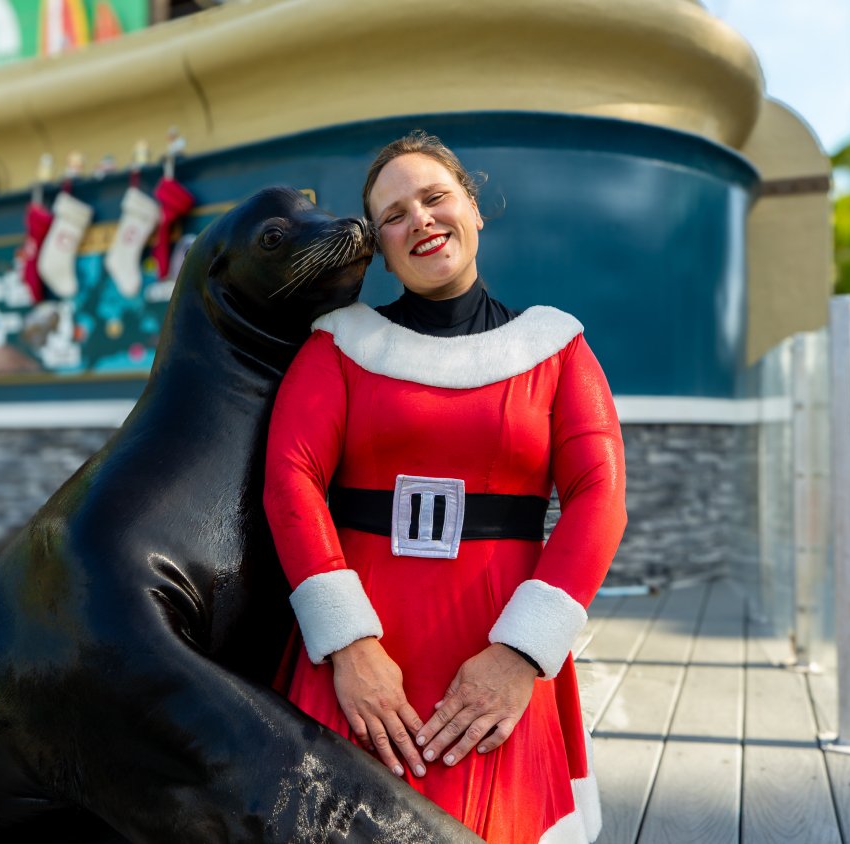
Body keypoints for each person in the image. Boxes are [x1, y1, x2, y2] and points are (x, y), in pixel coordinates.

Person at [263, 131, 627, 843]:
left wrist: (521, 656)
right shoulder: (336, 345)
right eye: (394, 214)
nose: (420, 220)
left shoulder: (556, 348)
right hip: (363, 660)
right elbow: (290, 479)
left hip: (499, 652)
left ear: (474, 207)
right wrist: (348, 646)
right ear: (380, 243)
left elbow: (599, 496)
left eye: (435, 198)